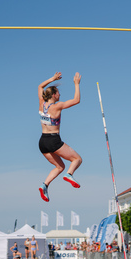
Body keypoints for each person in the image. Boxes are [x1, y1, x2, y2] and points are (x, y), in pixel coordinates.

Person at [38, 72, 83, 202]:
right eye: (58, 93)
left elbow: (40, 86)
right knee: (77, 159)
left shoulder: (41, 103)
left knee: (59, 167)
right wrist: (76, 84)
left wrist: (52, 79)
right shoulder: (57, 106)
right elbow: (76, 100)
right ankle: (69, 175)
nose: (60, 95)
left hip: (42, 142)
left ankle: (44, 185)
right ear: (53, 95)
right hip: (53, 140)